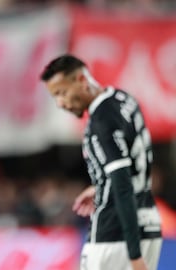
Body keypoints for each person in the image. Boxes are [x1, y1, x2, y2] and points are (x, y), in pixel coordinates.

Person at [40, 54, 162, 270]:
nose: (60, 103)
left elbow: (123, 186)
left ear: (81, 80)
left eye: (62, 93)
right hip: (149, 222)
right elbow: (130, 163)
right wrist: (102, 184)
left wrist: (134, 256)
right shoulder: (124, 99)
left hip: (117, 233)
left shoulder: (101, 120)